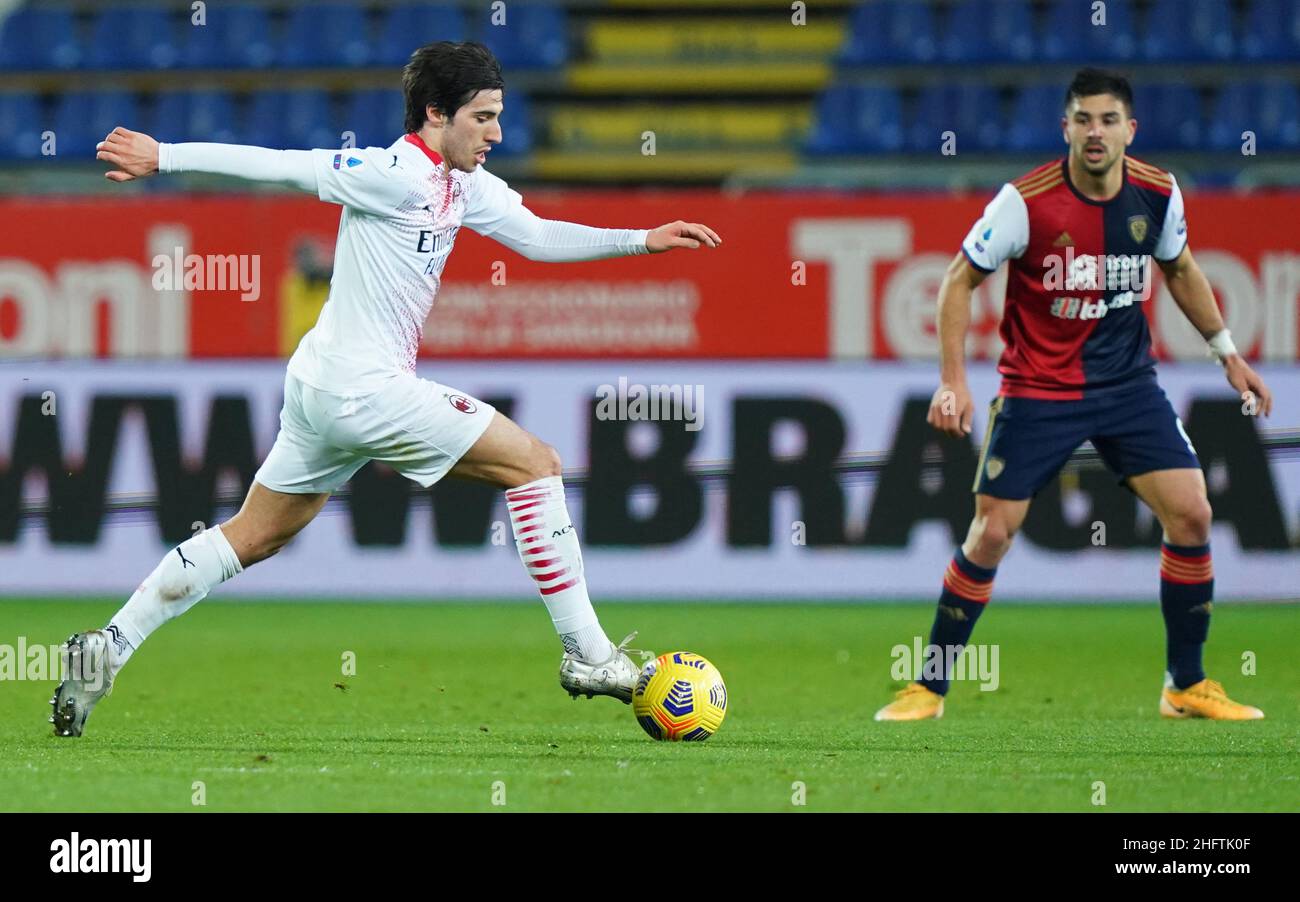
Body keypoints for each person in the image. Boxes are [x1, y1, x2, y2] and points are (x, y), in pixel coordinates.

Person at [51, 41, 721, 737]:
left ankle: (111, 646)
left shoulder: (465, 185)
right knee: (537, 465)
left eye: (499, 117)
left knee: (250, 537)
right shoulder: (392, 173)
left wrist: (642, 237)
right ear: (437, 113)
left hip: (321, 385)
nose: (496, 133)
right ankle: (588, 655)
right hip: (360, 389)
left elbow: (538, 236)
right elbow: (282, 167)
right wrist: (165, 158)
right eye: (483, 117)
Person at [875, 68, 1272, 723]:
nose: (1095, 132)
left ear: (1129, 130)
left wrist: (1228, 353)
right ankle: (929, 685)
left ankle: (1186, 684)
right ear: (1065, 127)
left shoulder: (1157, 193)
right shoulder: (1023, 202)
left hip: (1127, 387)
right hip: (1037, 389)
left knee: (1193, 514)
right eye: (1083, 119)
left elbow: (1179, 268)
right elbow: (955, 282)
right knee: (992, 532)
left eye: (1108, 120)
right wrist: (953, 381)